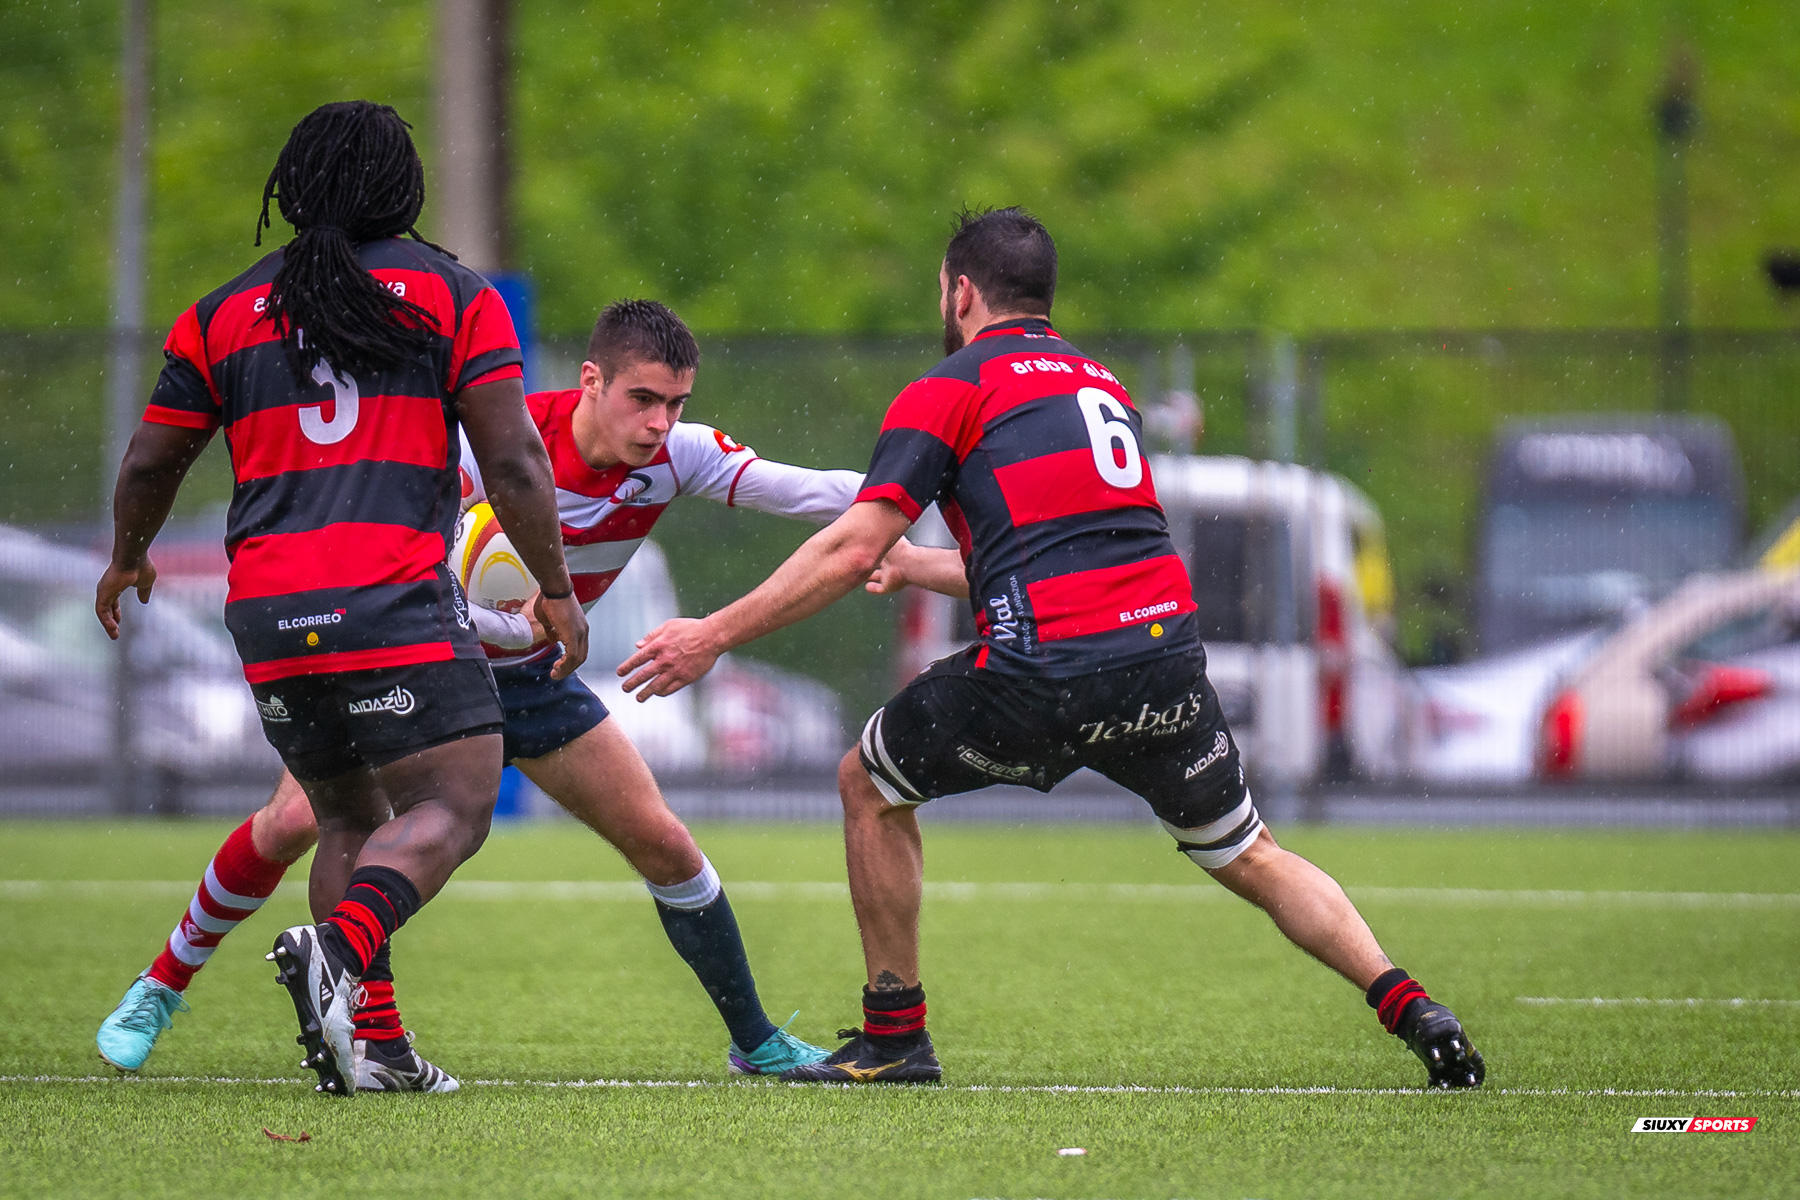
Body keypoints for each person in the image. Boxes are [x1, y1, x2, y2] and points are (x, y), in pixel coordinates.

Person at [619, 207, 1486, 1089]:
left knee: (867, 783)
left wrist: (712, 634)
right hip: (1165, 666)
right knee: (1250, 853)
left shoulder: (950, 388)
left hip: (1046, 673)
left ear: (960, 291)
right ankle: (1413, 1006)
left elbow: (848, 545)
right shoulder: (1100, 388)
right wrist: (920, 566)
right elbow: (1056, 558)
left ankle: (895, 1040)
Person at [97, 299, 863, 1086]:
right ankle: (161, 985)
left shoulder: (681, 455)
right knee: (293, 819)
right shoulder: (488, 447)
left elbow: (819, 493)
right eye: (643, 399)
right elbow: (397, 568)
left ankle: (756, 1042)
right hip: (420, 659)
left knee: (664, 842)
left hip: (535, 678)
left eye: (676, 404)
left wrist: (927, 485)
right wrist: (502, 626)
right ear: (592, 381)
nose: (661, 422)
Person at [95, 101, 588, 1098]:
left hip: (268, 610)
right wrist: (559, 592)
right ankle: (340, 949)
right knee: (453, 803)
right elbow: (514, 458)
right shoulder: (455, 294)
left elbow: (151, 456)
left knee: (346, 819)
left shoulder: (218, 312)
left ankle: (378, 1049)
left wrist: (127, 557)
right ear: (402, 189)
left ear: (294, 186)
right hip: (389, 597)